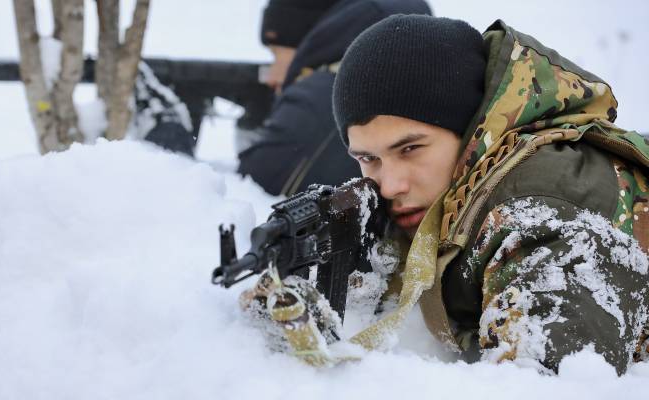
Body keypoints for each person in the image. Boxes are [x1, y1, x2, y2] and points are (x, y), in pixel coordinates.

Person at [245, 14, 649, 375]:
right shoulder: (462, 189)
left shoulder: (543, 211)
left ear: (473, 129)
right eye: (369, 158)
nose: (390, 185)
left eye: (410, 149)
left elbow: (544, 384)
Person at [237, 0, 431, 197]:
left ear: (314, 38)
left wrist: (249, 129)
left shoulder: (321, 100)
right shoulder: (420, 66)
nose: (271, 77)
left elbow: (249, 189)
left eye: (277, 54)